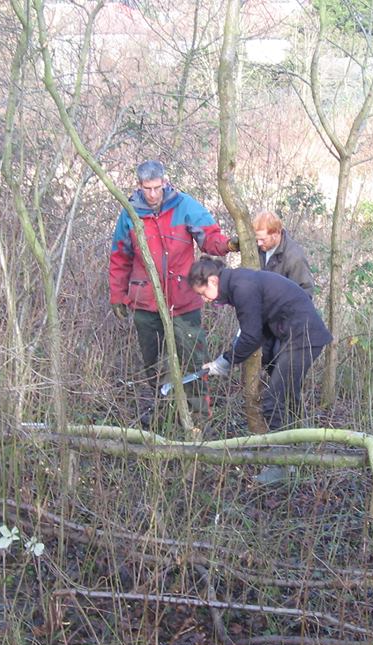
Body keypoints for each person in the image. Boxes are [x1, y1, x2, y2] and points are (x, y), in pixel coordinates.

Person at [109, 161, 238, 423]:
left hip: (183, 300)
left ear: (165, 182)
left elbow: (208, 236)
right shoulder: (130, 213)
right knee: (153, 361)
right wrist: (117, 295)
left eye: (158, 187)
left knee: (192, 358)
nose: (153, 194)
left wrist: (228, 244)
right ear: (139, 186)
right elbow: (120, 256)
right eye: (148, 189)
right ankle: (162, 408)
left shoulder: (184, 205)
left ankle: (198, 416)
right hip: (145, 301)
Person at [188, 257, 332, 483]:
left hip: (303, 337)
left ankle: (281, 468)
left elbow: (250, 336)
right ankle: (302, 457)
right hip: (293, 336)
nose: (204, 300)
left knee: (274, 401)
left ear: (214, 281)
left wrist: (223, 362)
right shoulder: (239, 283)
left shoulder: (241, 287)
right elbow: (260, 329)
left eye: (203, 293)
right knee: (288, 399)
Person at [252, 210, 315, 297]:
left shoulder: (294, 258)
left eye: (263, 240)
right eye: (257, 239)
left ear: (276, 234)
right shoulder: (257, 248)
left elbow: (305, 293)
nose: (259, 243)